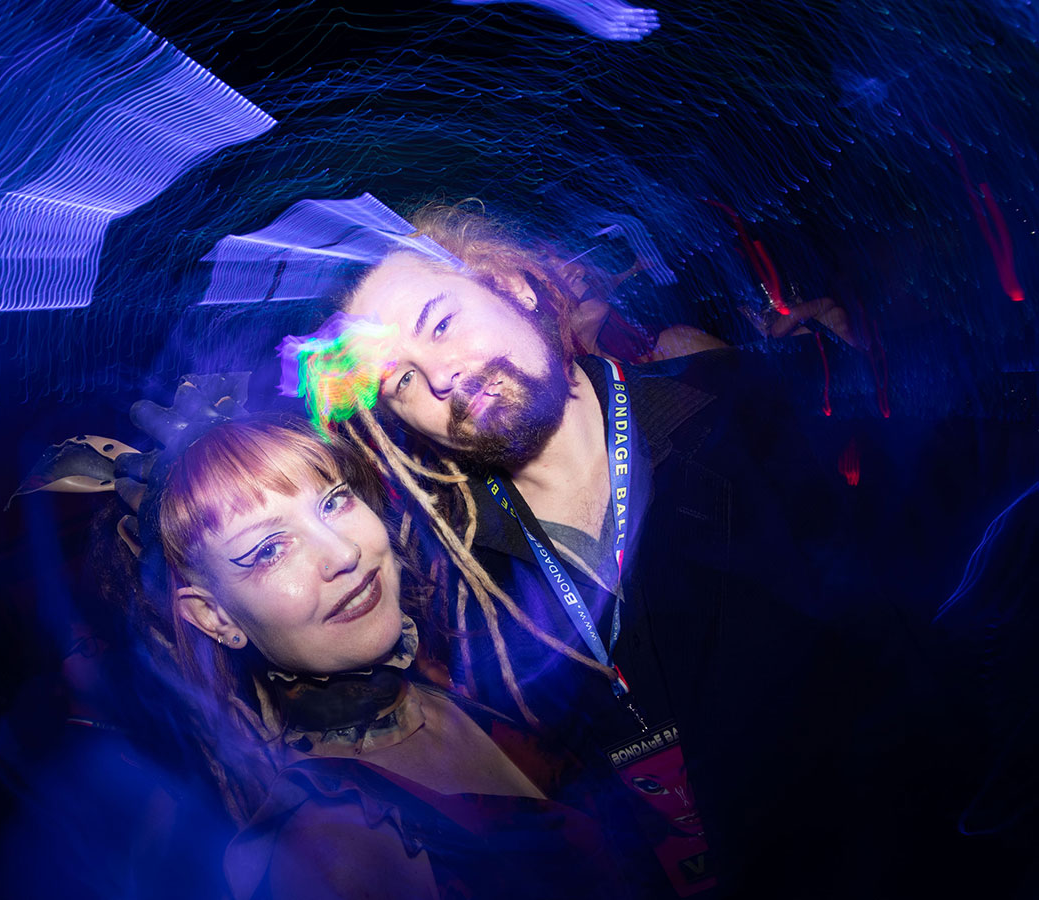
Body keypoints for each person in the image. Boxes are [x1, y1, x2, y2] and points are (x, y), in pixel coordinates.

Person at [282, 202, 952, 898]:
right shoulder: (460, 580)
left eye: (441, 323)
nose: (441, 378)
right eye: (401, 380)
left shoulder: (750, 411)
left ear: (512, 287)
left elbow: (920, 633)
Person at [149, 416, 645, 900]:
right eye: (269, 551)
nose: (343, 553)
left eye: (333, 501)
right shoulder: (329, 852)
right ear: (215, 617)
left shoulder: (468, 689)